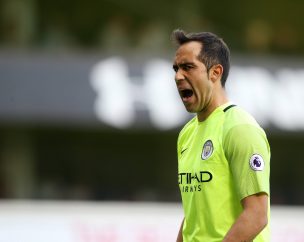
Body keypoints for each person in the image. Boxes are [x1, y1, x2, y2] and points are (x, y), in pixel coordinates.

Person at [172, 29, 270, 242]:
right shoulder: (186, 134)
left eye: (188, 67)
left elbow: (257, 215)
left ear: (215, 72)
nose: (178, 76)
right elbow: (194, 214)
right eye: (176, 68)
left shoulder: (239, 128)